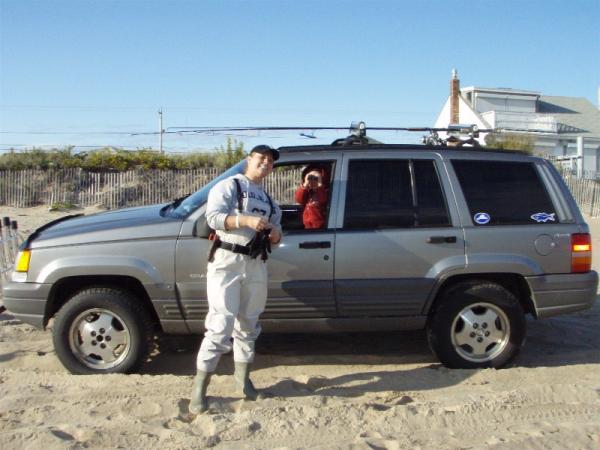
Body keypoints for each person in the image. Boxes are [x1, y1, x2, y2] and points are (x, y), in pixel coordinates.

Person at [189, 144, 282, 414]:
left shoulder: (267, 199)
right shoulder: (230, 185)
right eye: (261, 158)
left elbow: (278, 232)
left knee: (248, 325)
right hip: (227, 262)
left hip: (255, 264)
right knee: (220, 325)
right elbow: (214, 217)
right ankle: (199, 392)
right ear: (249, 160)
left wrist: (275, 235)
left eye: (270, 161)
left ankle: (244, 384)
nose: (265, 163)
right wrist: (246, 221)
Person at [294, 165, 329, 229]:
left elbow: (323, 200)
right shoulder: (306, 191)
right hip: (308, 226)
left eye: (316, 178)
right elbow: (299, 200)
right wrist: (305, 185)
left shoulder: (325, 191)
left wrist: (319, 185)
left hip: (321, 228)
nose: (312, 180)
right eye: (310, 178)